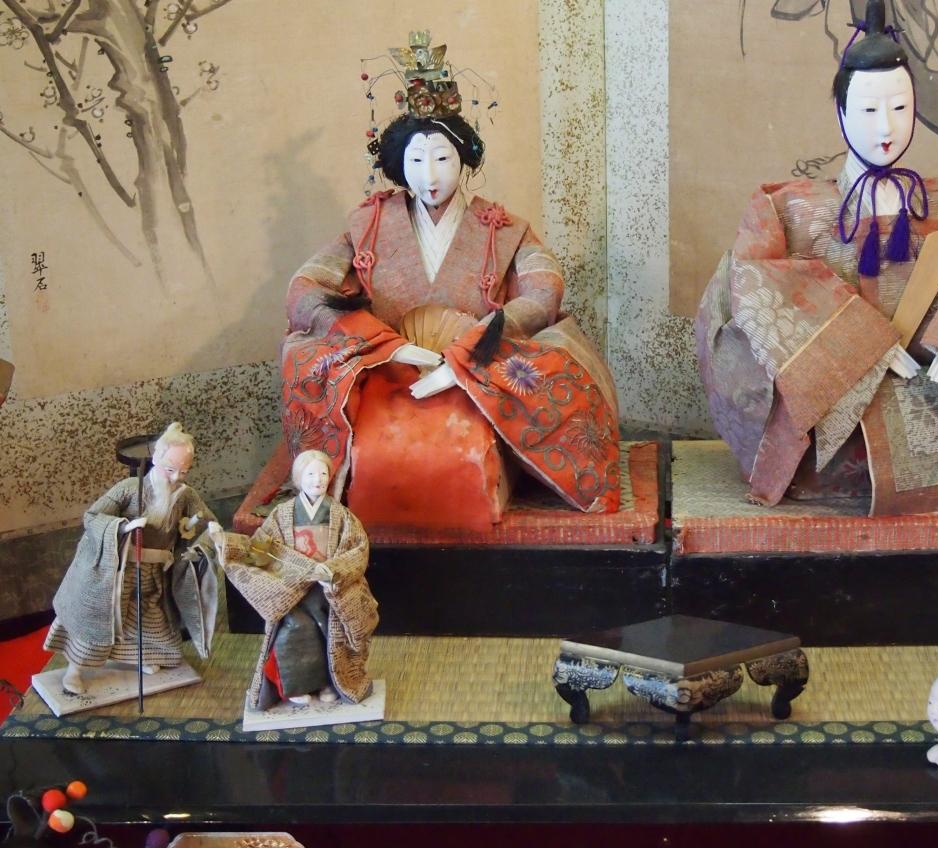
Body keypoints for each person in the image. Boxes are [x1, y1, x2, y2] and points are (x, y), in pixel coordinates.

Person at [695, 0, 938, 515]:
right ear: (841, 113)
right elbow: (753, 287)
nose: (885, 128)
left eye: (899, 108)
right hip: (839, 431)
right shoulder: (790, 209)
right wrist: (858, 345)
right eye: (869, 110)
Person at [246, 40, 621, 535]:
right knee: (351, 414)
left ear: (464, 160)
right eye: (416, 160)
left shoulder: (502, 228)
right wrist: (380, 344)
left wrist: (470, 355)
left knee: (508, 407)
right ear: (397, 164)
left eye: (443, 158)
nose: (430, 176)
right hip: (387, 370)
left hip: (478, 371)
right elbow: (306, 286)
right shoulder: (370, 224)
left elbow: (543, 289)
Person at [45, 423, 220, 695]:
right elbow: (92, 516)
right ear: (156, 459)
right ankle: (75, 669)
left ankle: (139, 656)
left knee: (152, 621)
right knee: (100, 619)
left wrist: (207, 532)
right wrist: (123, 527)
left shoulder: (186, 496)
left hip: (154, 572)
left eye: (183, 472)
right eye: (170, 469)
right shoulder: (129, 488)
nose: (175, 477)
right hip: (118, 569)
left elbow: (206, 522)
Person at [215, 451, 377, 710]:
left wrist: (333, 571)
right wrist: (225, 542)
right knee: (293, 629)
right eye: (310, 474)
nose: (318, 479)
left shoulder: (341, 515)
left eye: (323, 473)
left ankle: (330, 684)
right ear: (299, 478)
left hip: (327, 591)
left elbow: (358, 549)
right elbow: (260, 547)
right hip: (292, 592)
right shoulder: (282, 514)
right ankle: (297, 687)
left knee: (330, 633)